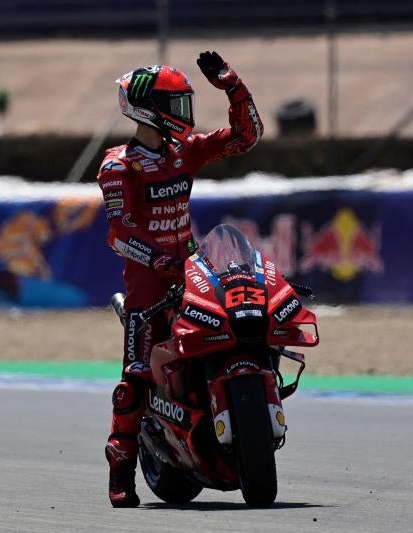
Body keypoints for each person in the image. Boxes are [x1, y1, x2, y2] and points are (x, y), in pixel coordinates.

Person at [98, 51, 263, 507]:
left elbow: (247, 137)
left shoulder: (183, 151)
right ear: (148, 108)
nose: (184, 116)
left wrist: (233, 87)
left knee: (237, 330)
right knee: (134, 378)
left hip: (192, 277)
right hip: (148, 291)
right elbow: (118, 235)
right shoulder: (118, 165)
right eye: (176, 106)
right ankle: (121, 472)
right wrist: (159, 262)